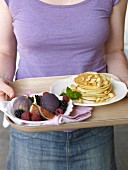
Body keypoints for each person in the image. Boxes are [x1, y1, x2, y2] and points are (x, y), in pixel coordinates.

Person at [0, 0, 128, 169]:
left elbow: (113, 51)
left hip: (95, 121)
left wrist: (124, 81)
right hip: (33, 123)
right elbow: (5, 51)